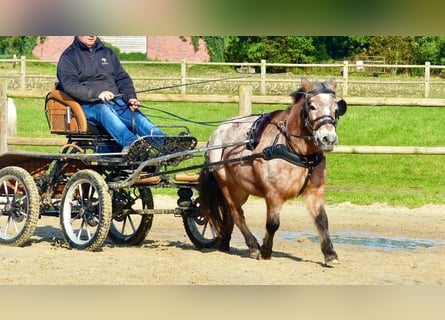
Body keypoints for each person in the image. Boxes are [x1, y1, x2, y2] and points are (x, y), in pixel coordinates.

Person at [56, 36, 165, 153]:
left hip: (115, 103)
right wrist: (98, 94)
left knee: (136, 117)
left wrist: (130, 97)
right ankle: (133, 146)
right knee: (103, 109)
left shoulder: (108, 53)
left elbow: (122, 79)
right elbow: (70, 85)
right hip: (85, 106)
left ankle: (166, 145)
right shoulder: (69, 57)